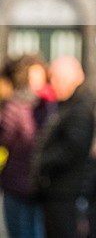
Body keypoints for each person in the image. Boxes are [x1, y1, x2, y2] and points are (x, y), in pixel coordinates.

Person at [32, 56, 96, 238]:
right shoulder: (70, 104)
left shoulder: (79, 108)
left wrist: (43, 162)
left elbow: (72, 147)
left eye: (55, 79)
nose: (52, 85)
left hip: (66, 190)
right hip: (59, 189)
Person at [0, 55, 47, 238]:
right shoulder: (45, 106)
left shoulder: (17, 106)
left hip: (21, 181)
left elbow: (5, 139)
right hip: (30, 180)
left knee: (22, 230)